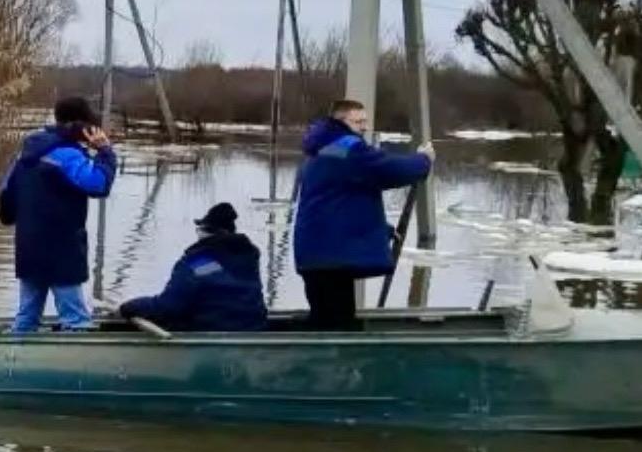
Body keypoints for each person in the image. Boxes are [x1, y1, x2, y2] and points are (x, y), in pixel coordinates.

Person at [294, 98, 434, 331]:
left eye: (365, 121)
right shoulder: (346, 149)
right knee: (339, 326)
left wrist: (383, 230)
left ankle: (319, 361)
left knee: (325, 322)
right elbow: (389, 169)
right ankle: (333, 365)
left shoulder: (321, 151)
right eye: (358, 121)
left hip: (318, 253)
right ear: (341, 122)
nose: (364, 127)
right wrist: (424, 161)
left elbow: (339, 203)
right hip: (332, 257)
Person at [0, 95, 118, 333]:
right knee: (76, 321)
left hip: (28, 248)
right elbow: (98, 184)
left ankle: (14, 363)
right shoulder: (67, 155)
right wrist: (105, 152)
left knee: (26, 318)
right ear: (84, 126)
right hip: (62, 251)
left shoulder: (25, 153)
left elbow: (6, 202)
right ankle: (78, 367)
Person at [117, 202, 267, 332]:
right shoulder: (247, 259)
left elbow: (167, 307)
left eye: (199, 229)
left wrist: (129, 307)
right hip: (253, 328)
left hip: (211, 332)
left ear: (207, 232)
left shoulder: (198, 264)